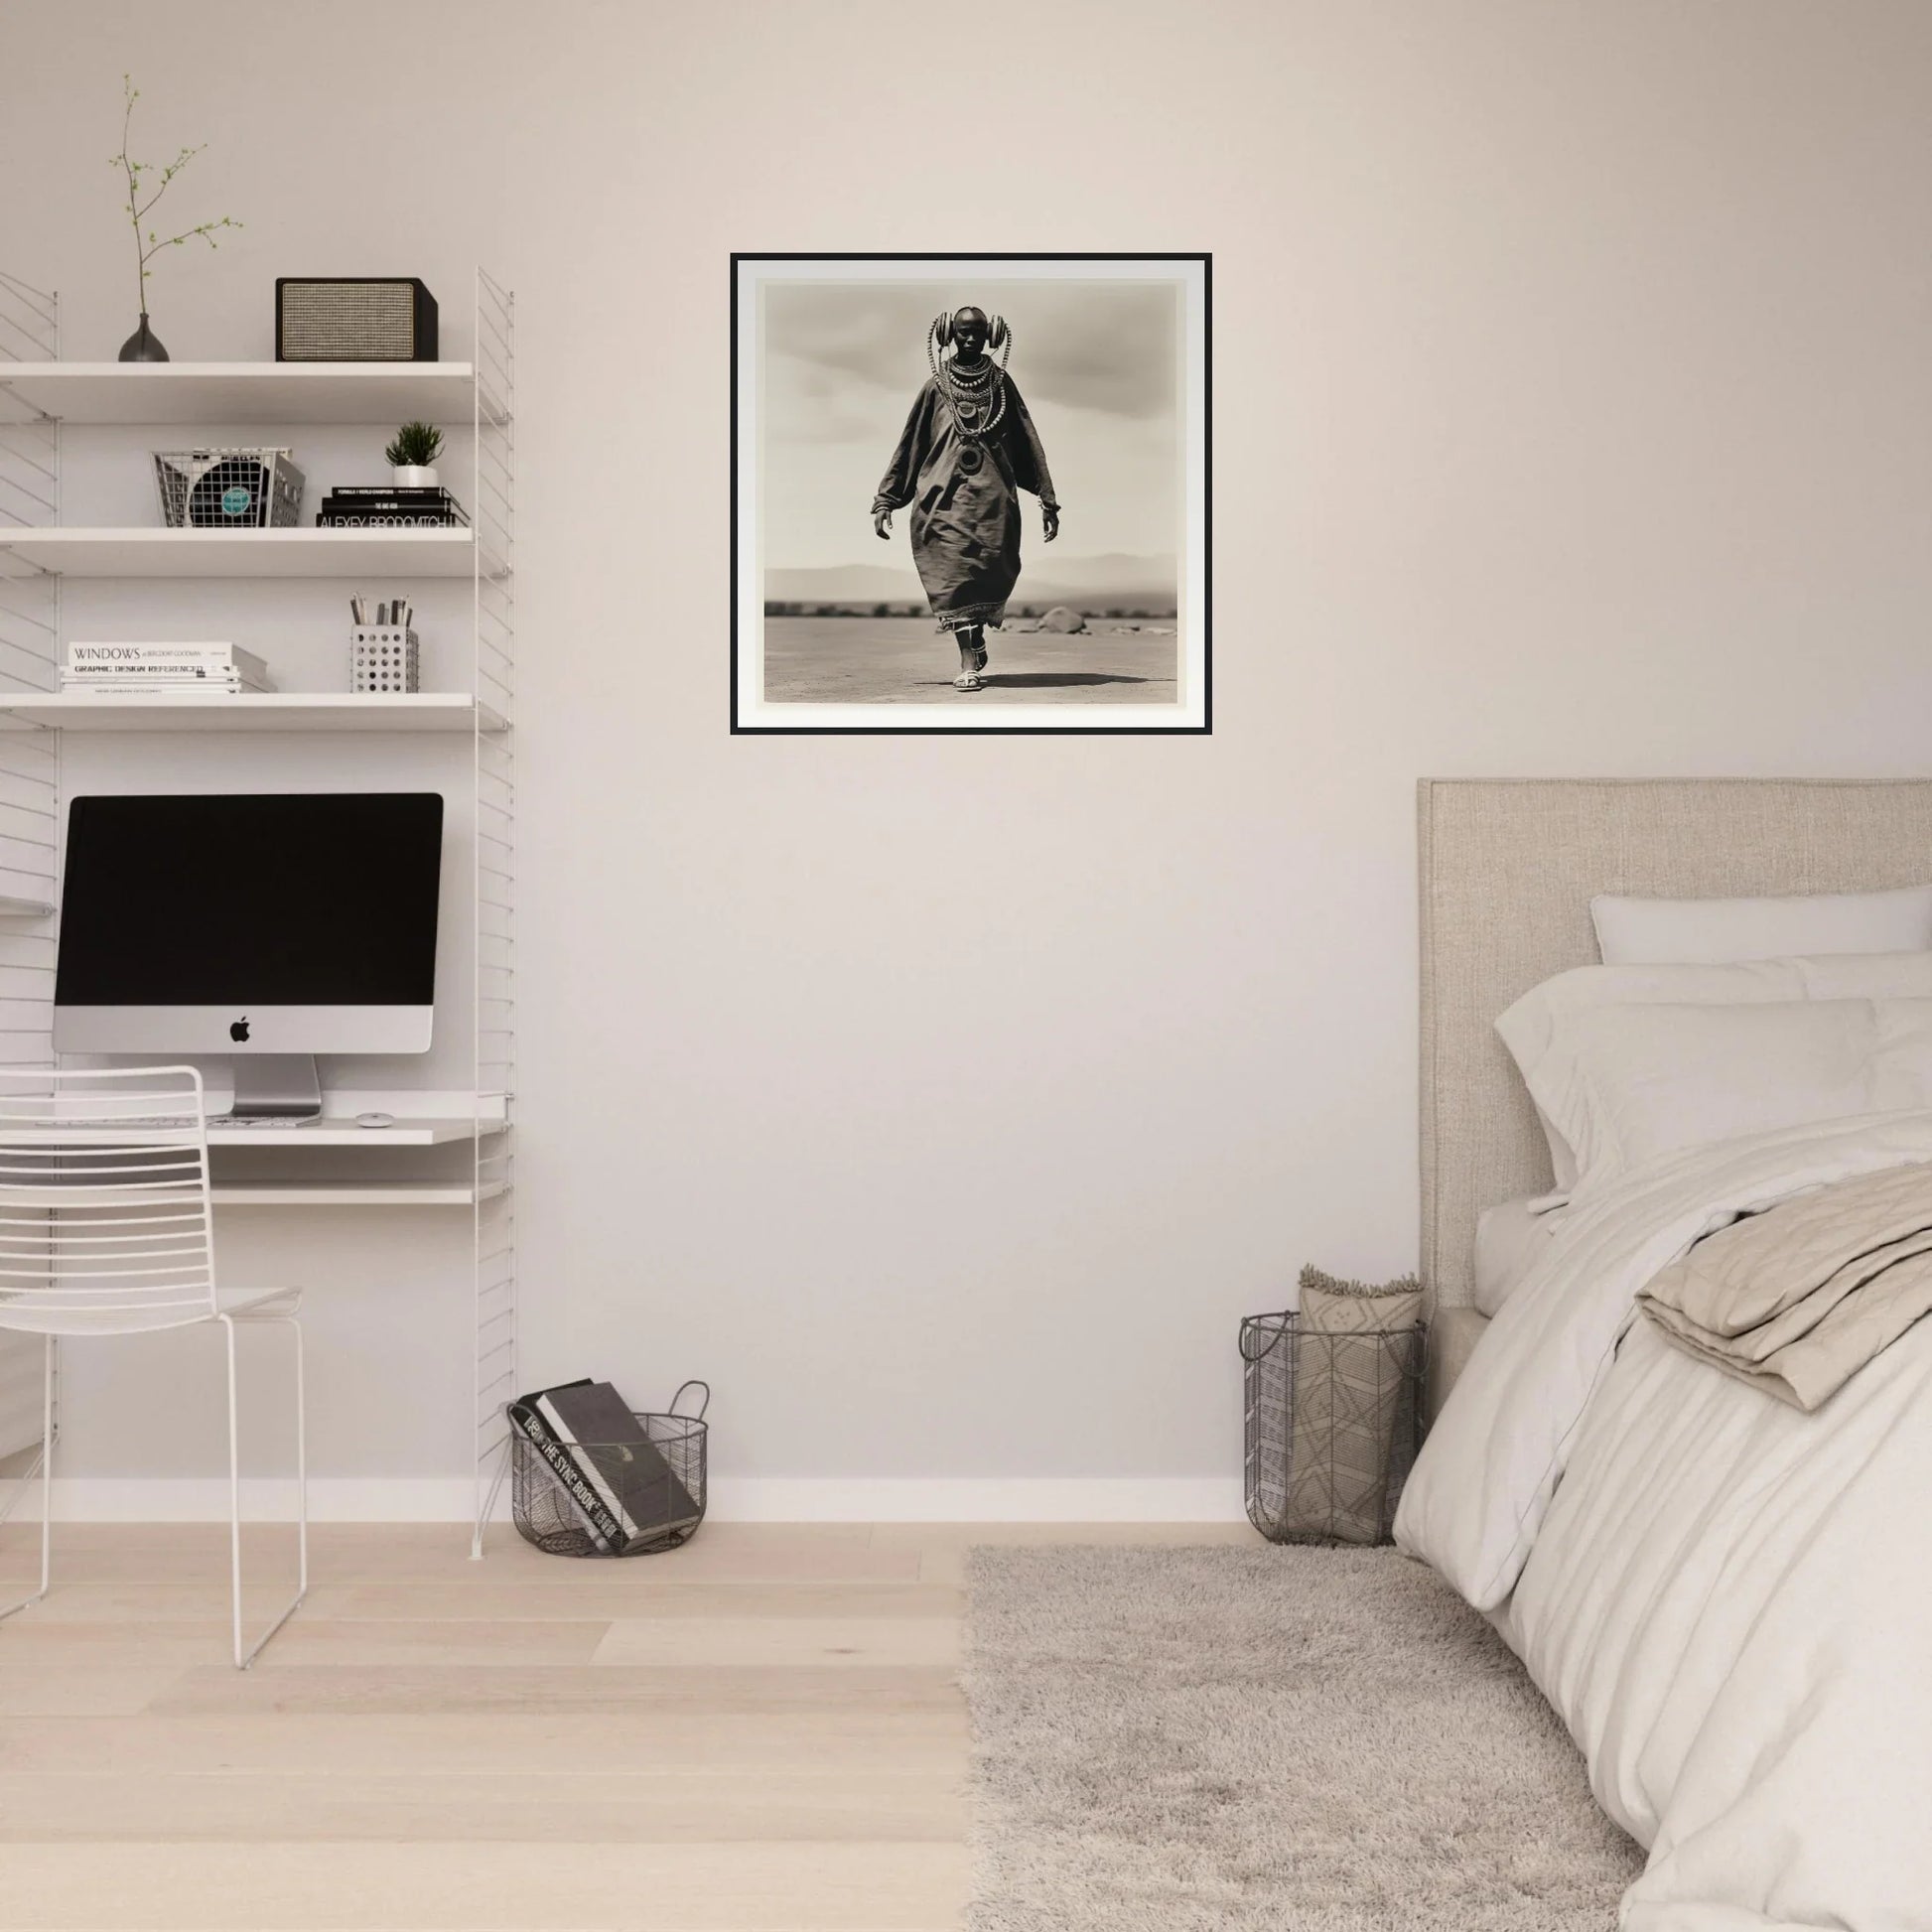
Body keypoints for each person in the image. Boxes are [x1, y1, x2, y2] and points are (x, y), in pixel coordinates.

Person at [872, 307, 1059, 692]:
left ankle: (975, 638)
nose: (970, 339)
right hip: (940, 499)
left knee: (989, 570)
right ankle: (968, 661)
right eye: (962, 333)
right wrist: (886, 499)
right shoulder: (935, 387)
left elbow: (1028, 440)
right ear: (949, 335)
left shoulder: (1002, 385)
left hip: (992, 501)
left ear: (990, 335)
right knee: (952, 575)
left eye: (977, 333)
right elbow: (910, 445)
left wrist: (1047, 499)